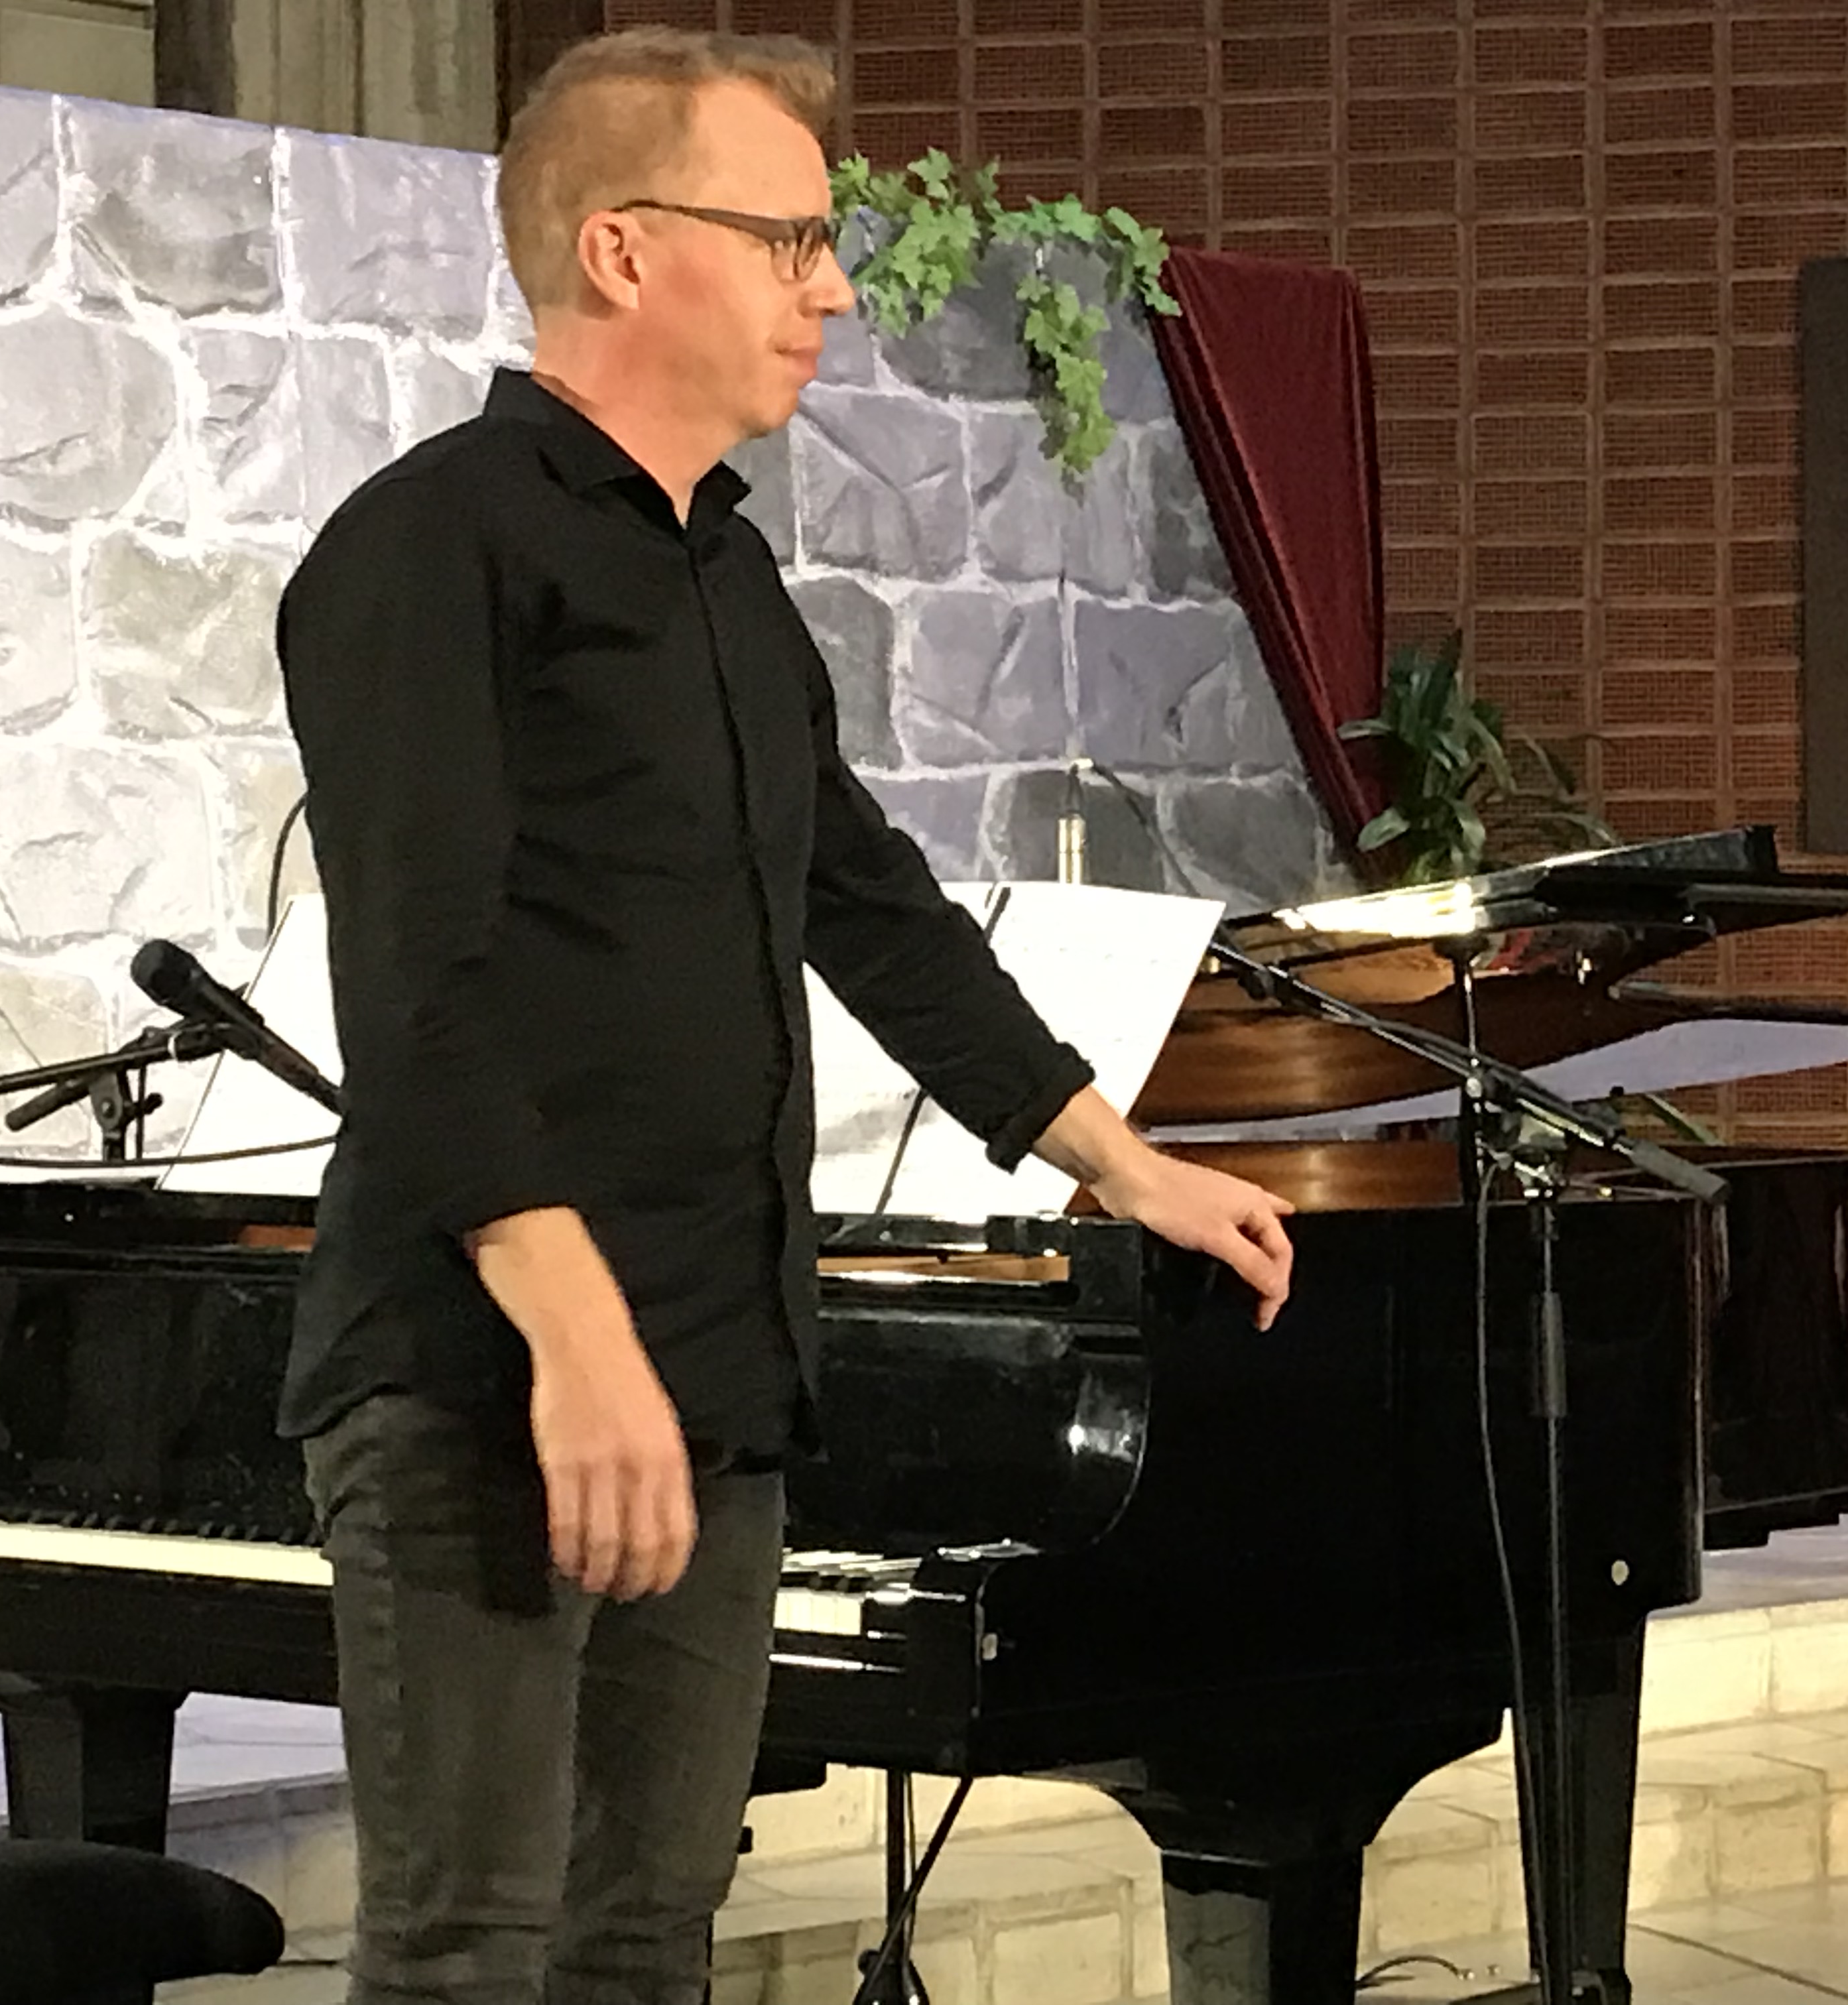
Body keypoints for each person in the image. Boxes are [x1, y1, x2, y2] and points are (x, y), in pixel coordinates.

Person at [271, 25, 1295, 2005]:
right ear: (624, 248)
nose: (832, 292)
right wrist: (580, 1346)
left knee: (647, 1941)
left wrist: (1119, 1158)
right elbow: (417, 990)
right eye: (792, 240)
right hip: (485, 1371)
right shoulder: (432, 543)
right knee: (471, 1951)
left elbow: (869, 907)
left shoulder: (730, 578)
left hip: (715, 1356)